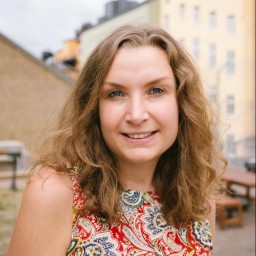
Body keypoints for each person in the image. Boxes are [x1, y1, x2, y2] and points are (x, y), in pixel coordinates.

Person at [7, 23, 226, 255]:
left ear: (182, 103)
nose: (137, 115)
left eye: (156, 90)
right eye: (115, 93)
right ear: (93, 108)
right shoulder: (54, 193)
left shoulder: (199, 198)